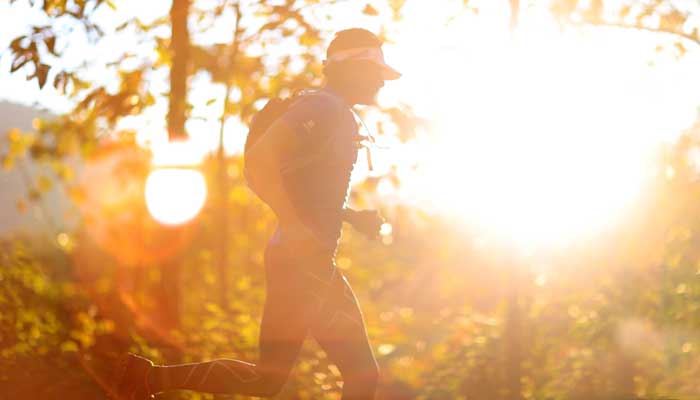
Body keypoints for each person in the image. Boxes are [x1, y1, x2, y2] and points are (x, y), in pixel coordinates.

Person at [116, 28, 401, 400]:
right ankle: (146, 380)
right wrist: (295, 227)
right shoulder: (322, 109)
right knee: (361, 377)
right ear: (352, 69)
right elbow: (260, 159)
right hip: (302, 264)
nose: (381, 81)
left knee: (268, 381)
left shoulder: (331, 111)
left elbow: (306, 189)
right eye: (375, 71)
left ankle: (146, 379)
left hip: (308, 263)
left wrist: (348, 216)